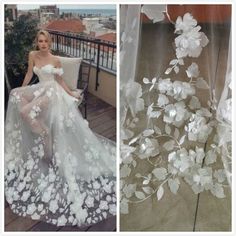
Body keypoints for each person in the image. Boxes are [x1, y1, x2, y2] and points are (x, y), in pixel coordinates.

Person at [5, 30, 116, 227]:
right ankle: (42, 132)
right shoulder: (32, 55)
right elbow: (30, 74)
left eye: (45, 41)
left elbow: (59, 81)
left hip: (52, 92)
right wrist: (23, 90)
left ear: (50, 42)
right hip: (39, 90)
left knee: (25, 112)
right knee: (16, 96)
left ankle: (44, 133)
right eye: (40, 41)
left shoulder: (55, 60)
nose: (43, 44)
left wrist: (71, 93)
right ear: (37, 43)